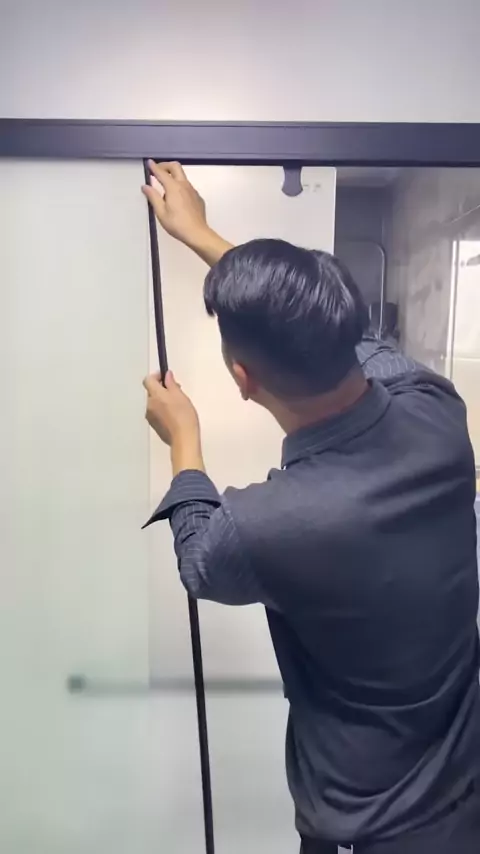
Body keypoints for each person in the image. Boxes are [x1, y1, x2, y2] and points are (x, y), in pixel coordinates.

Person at [141, 161, 480, 853]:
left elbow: (201, 560)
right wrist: (201, 235)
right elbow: (339, 333)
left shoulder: (268, 526)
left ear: (242, 380)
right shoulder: (435, 409)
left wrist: (184, 441)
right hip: (463, 778)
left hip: (373, 824)